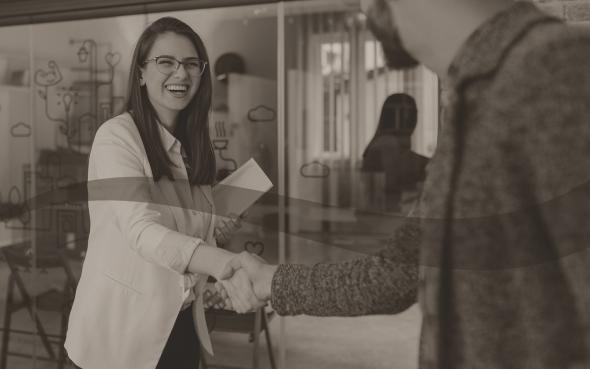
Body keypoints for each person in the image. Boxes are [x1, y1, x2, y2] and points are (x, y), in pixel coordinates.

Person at [217, 1, 590, 368]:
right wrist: (272, 280)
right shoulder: (472, 101)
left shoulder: (556, 71)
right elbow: (395, 276)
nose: (360, 6)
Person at [64, 17, 256, 369]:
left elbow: (183, 232)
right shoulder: (116, 137)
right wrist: (227, 264)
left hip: (180, 322)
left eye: (191, 64)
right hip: (119, 333)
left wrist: (214, 229)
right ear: (140, 73)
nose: (180, 74)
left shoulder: (193, 144)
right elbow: (141, 230)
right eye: (165, 62)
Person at [361, 93, 429, 212]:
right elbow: (394, 178)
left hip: (387, 211)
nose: (415, 119)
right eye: (413, 113)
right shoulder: (387, 142)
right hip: (382, 215)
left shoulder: (389, 141)